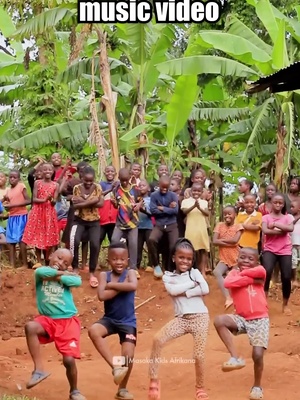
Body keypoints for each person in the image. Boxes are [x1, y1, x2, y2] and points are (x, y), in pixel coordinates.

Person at [148, 238, 209, 400]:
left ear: (193, 260)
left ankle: (200, 387)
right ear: (174, 257)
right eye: (181, 257)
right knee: (157, 340)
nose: (185, 261)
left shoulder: (195, 272)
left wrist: (187, 291)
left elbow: (206, 289)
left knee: (198, 355)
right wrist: (192, 285)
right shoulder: (168, 276)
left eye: (189, 259)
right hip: (181, 319)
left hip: (201, 317)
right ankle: (153, 381)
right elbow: (173, 291)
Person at [24, 248, 86, 400]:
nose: (60, 263)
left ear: (69, 266)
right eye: (58, 258)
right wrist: (64, 274)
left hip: (67, 322)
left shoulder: (58, 276)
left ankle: (74, 391)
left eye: (65, 263)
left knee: (69, 360)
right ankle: (38, 370)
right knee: (30, 326)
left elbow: (77, 281)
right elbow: (41, 273)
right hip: (47, 320)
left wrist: (58, 276)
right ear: (50, 255)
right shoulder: (40, 272)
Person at [214, 247, 269, 400]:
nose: (246, 261)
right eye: (242, 257)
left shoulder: (260, 270)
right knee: (219, 320)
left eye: (250, 259)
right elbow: (227, 282)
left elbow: (262, 273)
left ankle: (257, 387)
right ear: (237, 259)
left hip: (260, 319)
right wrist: (249, 279)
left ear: (257, 261)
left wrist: (242, 275)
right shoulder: (232, 273)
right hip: (241, 317)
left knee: (257, 355)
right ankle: (234, 357)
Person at [88, 241, 138, 400]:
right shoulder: (104, 275)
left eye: (122, 259)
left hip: (128, 322)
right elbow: (101, 296)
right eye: (115, 259)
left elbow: (133, 286)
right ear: (108, 260)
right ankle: (115, 367)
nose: (119, 262)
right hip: (109, 319)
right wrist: (120, 286)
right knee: (93, 331)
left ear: (127, 260)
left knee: (128, 356)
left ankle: (122, 389)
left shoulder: (130, 273)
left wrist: (111, 285)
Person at [70, 166, 103, 287]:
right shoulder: (77, 188)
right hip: (79, 220)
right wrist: (92, 201)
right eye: (86, 180)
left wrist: (83, 201)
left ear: (94, 179)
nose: (88, 183)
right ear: (82, 178)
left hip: (94, 221)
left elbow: (101, 203)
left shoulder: (98, 187)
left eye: (91, 181)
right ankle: (75, 268)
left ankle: (92, 272)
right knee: (75, 241)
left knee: (95, 244)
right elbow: (75, 205)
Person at [262, 193, 294, 314]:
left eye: (280, 203)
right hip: (270, 249)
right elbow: (265, 231)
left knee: (286, 276)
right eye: (275, 202)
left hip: (285, 249)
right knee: (267, 272)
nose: (278, 204)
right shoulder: (265, 217)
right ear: (271, 203)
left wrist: (275, 225)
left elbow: (290, 229)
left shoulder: (288, 217)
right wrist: (281, 230)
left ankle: (285, 304)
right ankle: (263, 302)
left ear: (283, 204)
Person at [23, 163, 60, 265]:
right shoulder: (37, 183)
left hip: (49, 213)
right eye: (45, 170)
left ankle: (47, 260)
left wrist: (52, 200)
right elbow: (34, 199)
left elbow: (54, 201)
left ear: (53, 171)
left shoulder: (56, 185)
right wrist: (44, 199)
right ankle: (39, 261)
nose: (47, 171)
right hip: (38, 212)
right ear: (41, 172)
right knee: (38, 236)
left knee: (48, 235)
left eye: (49, 170)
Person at [111, 168, 142, 278]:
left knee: (133, 244)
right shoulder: (116, 190)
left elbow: (141, 200)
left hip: (133, 223)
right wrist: (114, 203)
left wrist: (139, 205)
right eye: (122, 180)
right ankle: (116, 266)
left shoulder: (135, 189)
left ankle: (133, 268)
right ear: (119, 178)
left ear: (130, 178)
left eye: (126, 180)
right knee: (114, 240)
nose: (124, 182)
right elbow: (116, 205)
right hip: (120, 222)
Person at [213, 206, 244, 309]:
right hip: (224, 257)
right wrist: (229, 242)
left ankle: (239, 301)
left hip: (236, 257)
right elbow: (214, 241)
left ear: (235, 214)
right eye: (225, 214)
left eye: (229, 213)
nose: (227, 215)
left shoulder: (238, 226)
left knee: (233, 277)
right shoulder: (219, 225)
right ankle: (228, 298)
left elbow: (235, 241)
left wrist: (220, 241)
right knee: (217, 272)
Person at [148, 175, 179, 278]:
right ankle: (156, 265)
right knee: (152, 239)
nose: (165, 190)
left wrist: (162, 208)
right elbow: (153, 211)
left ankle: (170, 268)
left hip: (172, 224)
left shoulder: (173, 195)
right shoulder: (154, 195)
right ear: (158, 185)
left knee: (173, 245)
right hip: (159, 224)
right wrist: (167, 208)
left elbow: (175, 211)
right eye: (162, 188)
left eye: (167, 187)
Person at [3, 170, 31, 268]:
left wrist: (13, 204)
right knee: (11, 241)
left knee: (21, 240)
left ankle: (25, 264)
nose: (12, 179)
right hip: (12, 217)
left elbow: (28, 201)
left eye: (14, 177)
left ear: (18, 179)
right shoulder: (8, 191)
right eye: (10, 177)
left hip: (21, 216)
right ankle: (12, 264)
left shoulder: (21, 186)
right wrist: (5, 203)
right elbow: (6, 201)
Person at [181, 183, 210, 275]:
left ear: (202, 192)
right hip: (191, 227)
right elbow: (184, 212)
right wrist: (194, 206)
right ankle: (189, 270)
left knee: (203, 249)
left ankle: (203, 271)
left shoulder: (204, 202)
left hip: (202, 228)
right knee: (190, 249)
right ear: (191, 191)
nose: (196, 192)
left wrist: (199, 207)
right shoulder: (185, 201)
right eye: (194, 190)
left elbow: (207, 213)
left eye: (198, 191)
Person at [99, 165, 118, 249]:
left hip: (114, 220)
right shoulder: (101, 184)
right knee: (98, 240)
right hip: (102, 219)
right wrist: (111, 188)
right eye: (108, 171)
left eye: (112, 171)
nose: (110, 173)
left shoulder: (119, 184)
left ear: (115, 173)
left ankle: (113, 260)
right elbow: (99, 195)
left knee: (114, 242)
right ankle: (94, 262)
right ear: (104, 173)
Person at [137, 179, 153, 270]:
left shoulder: (151, 200)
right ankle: (136, 266)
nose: (141, 187)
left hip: (149, 226)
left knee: (150, 246)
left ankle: (151, 264)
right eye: (140, 186)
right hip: (138, 227)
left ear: (149, 188)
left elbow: (153, 214)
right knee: (138, 247)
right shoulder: (136, 199)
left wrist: (144, 210)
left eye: (144, 185)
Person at [290, 198, 300, 288]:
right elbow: (290, 224)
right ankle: (294, 279)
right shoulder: (289, 217)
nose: (290, 209)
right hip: (292, 243)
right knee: (293, 262)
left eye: (293, 207)